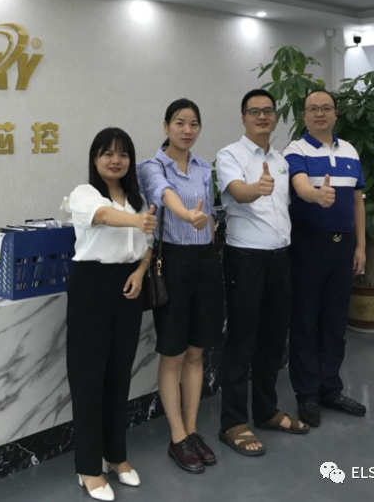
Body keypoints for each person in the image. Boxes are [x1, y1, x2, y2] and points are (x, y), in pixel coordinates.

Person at [63, 127, 157, 501]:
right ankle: (88, 468)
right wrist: (136, 221)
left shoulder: (136, 199)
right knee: (88, 378)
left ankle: (116, 456)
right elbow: (101, 216)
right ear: (95, 159)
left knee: (119, 375)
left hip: (128, 285)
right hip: (91, 286)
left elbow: (147, 243)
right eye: (107, 153)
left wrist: (140, 270)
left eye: (123, 154)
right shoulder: (84, 194)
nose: (115, 160)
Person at [216, 89, 309, 458]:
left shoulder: (281, 160)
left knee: (272, 339)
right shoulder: (230, 155)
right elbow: (238, 192)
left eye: (268, 111)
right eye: (254, 111)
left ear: (275, 117)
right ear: (243, 118)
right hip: (246, 259)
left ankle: (267, 411)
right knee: (241, 340)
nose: (262, 117)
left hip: (280, 259)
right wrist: (257, 189)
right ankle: (233, 422)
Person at [137, 99, 223, 475]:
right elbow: (163, 194)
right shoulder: (152, 166)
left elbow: (211, 215)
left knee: (196, 352)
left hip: (205, 262)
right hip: (172, 261)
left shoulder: (204, 167)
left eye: (193, 124)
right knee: (172, 354)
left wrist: (207, 232)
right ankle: (176, 437)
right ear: (166, 126)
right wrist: (188, 215)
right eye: (179, 123)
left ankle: (191, 430)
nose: (187, 130)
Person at [283, 90, 367, 428]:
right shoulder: (296, 150)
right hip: (308, 246)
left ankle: (331, 388)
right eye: (313, 109)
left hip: (343, 247)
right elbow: (300, 185)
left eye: (326, 108)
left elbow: (358, 203)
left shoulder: (350, 150)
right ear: (304, 115)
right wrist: (317, 195)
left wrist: (360, 247)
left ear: (335, 114)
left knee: (335, 320)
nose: (320, 114)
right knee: (305, 320)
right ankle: (307, 394)